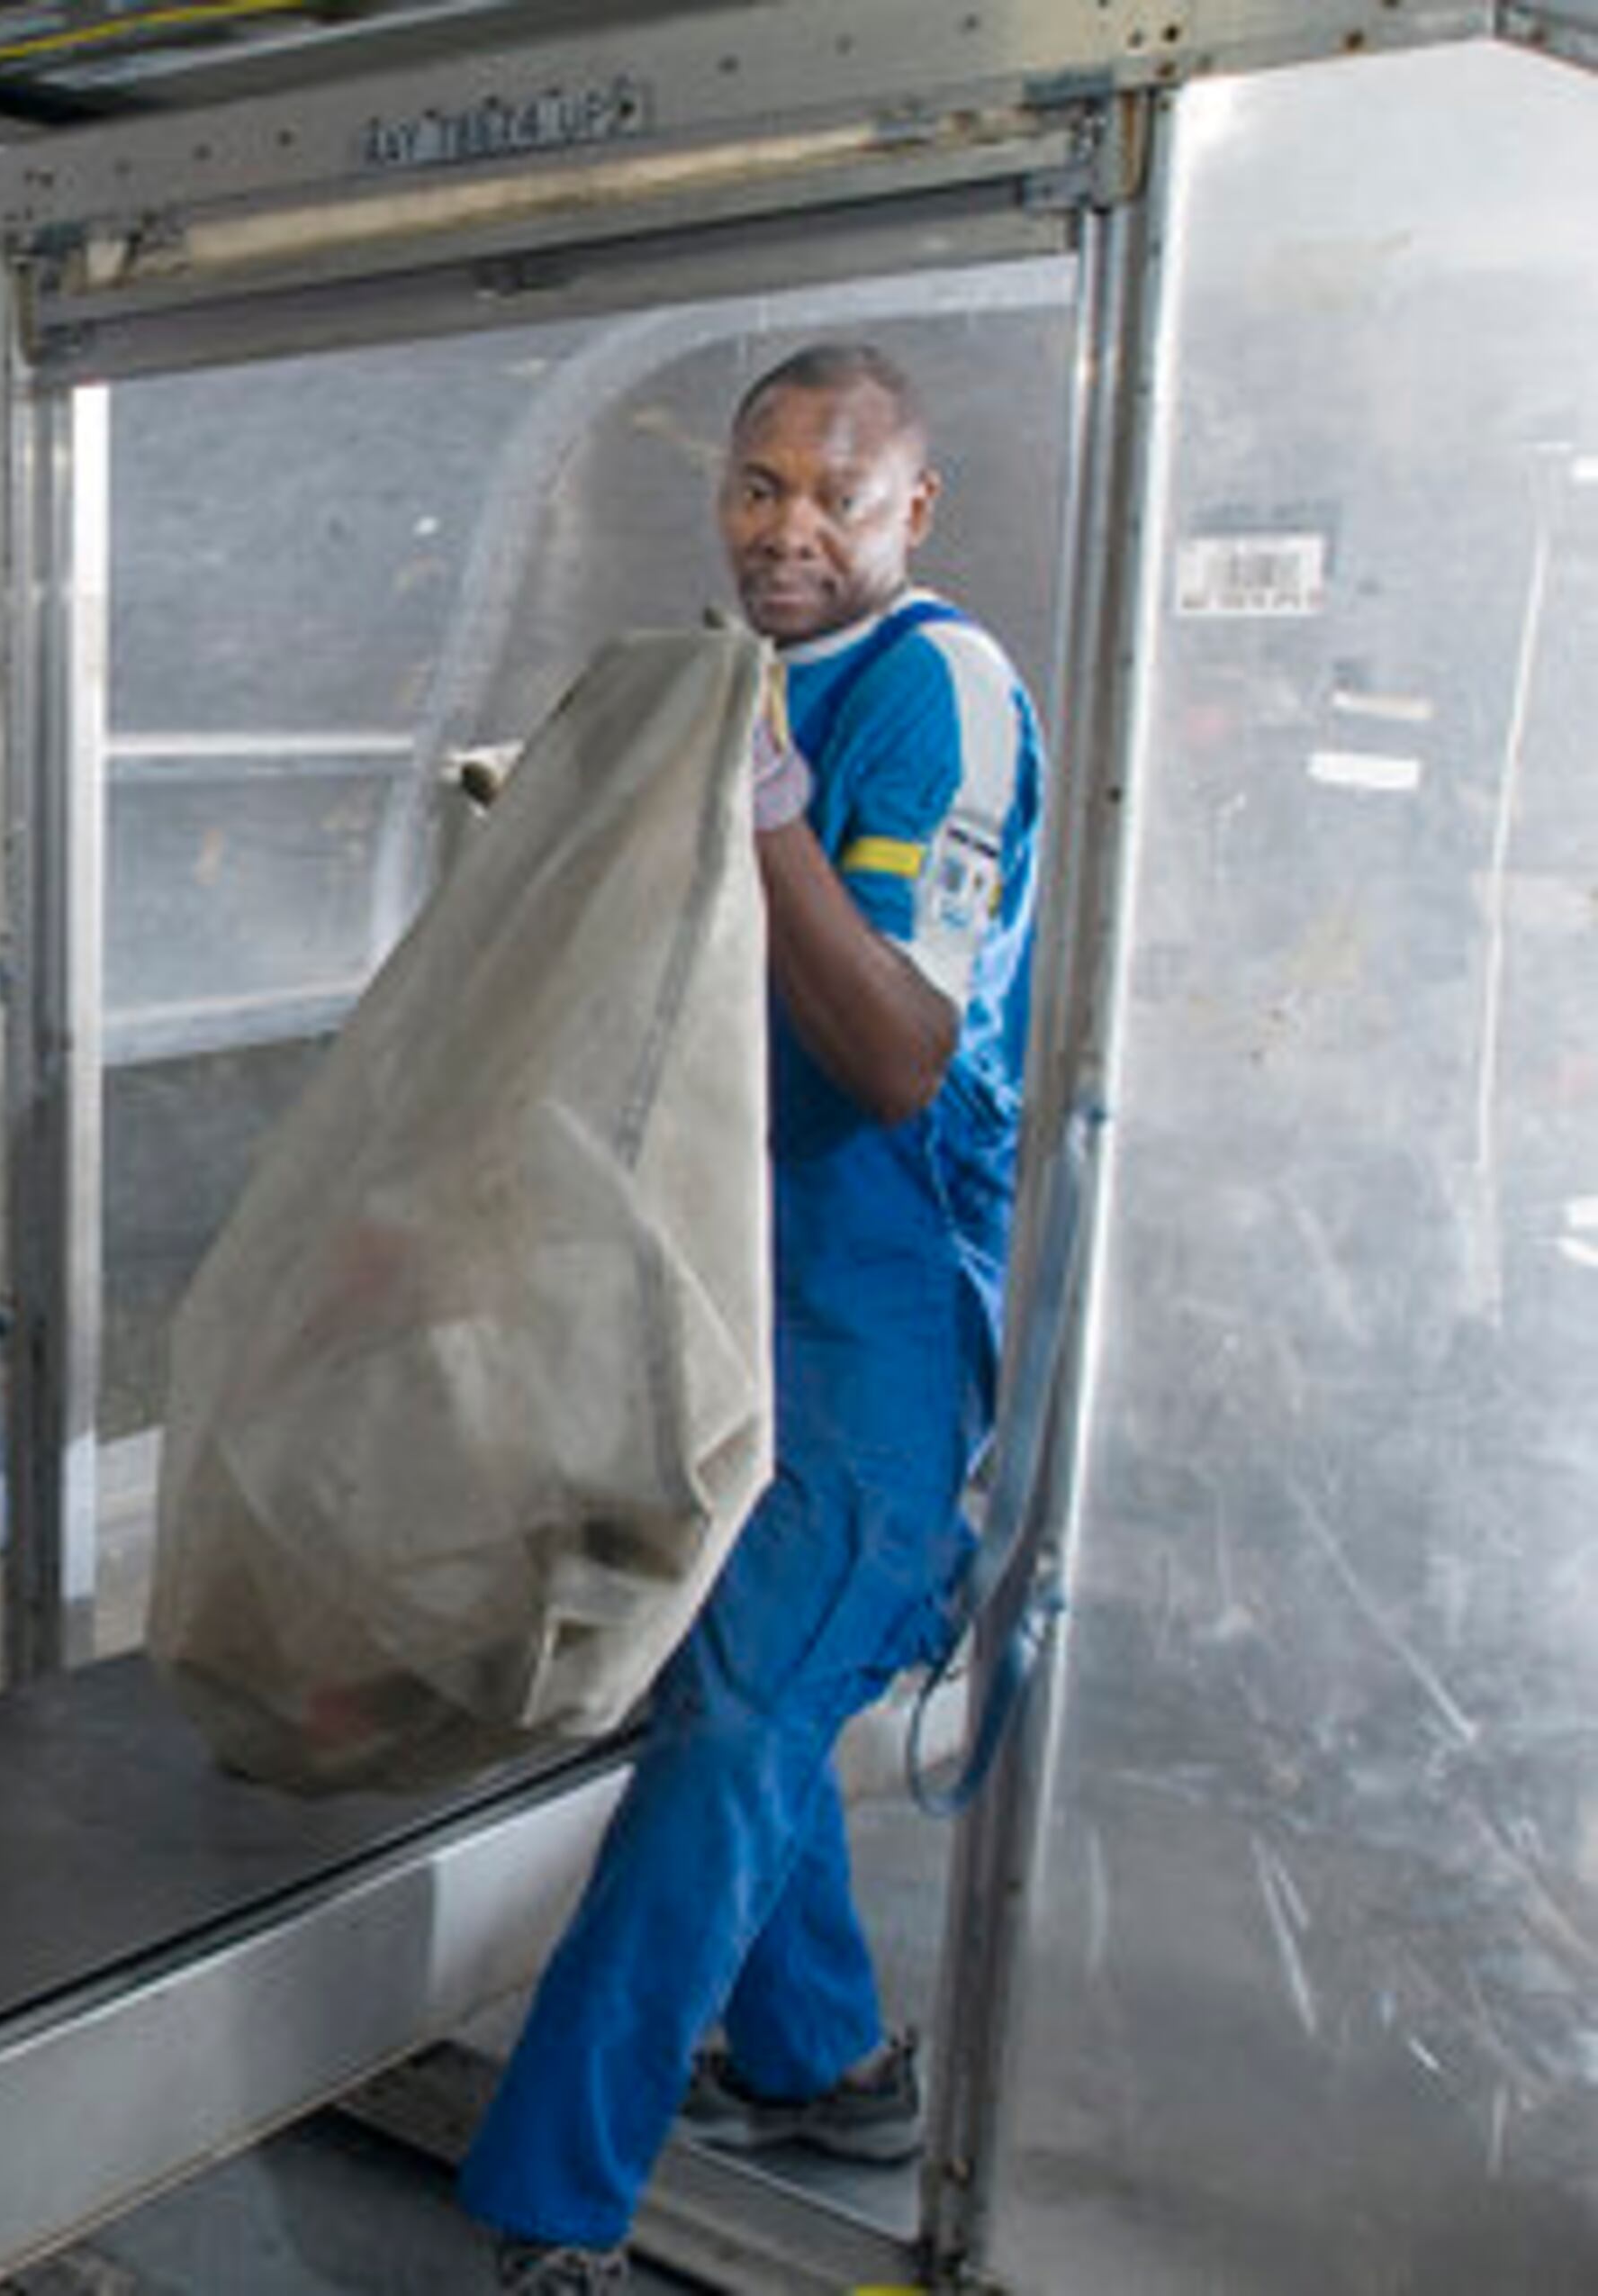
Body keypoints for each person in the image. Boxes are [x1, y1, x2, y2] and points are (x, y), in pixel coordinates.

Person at [458, 343, 1044, 2294]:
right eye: (757, 486)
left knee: (729, 1728)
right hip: (729, 1264)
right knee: (738, 1673)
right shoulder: (742, 673)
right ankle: (820, 2066)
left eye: (835, 497)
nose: (787, 530)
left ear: (914, 513)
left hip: (874, 1303)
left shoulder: (932, 691)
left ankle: (547, 2210)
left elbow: (895, 1055)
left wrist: (773, 815)